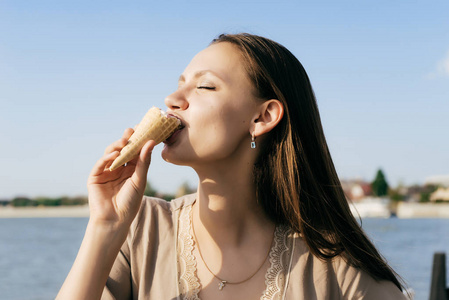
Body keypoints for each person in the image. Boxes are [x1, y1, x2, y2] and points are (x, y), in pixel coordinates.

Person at [57, 33, 408, 300]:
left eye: (205, 86)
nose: (172, 101)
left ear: (262, 117)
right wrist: (105, 227)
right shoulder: (140, 229)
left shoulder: (336, 270)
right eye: (179, 85)